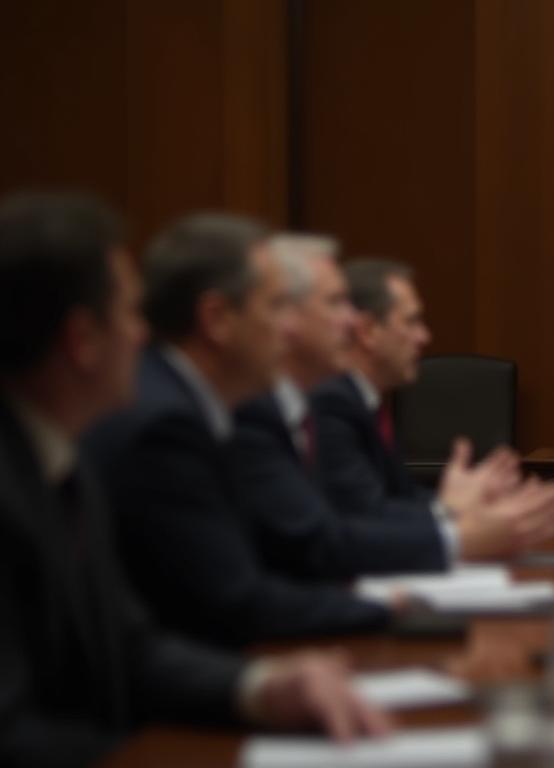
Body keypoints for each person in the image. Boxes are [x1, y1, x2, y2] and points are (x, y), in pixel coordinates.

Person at [0, 193, 388, 767]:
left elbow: (130, 649)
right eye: (131, 314)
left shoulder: (60, 459)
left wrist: (260, 688)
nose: (143, 335)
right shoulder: (127, 435)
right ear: (82, 341)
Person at [84, 213, 394, 646]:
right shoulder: (166, 426)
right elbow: (236, 600)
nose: (288, 328)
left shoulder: (193, 405)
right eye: (276, 306)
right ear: (217, 319)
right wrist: (394, 608)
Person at [312, 257, 554, 557]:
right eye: (411, 321)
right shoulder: (331, 404)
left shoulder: (364, 403)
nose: (424, 337)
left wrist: (467, 503)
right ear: (368, 331)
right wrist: (449, 512)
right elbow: (366, 515)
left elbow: (399, 499)